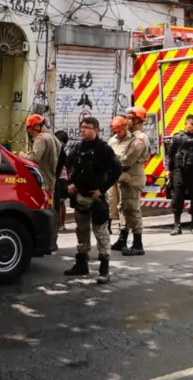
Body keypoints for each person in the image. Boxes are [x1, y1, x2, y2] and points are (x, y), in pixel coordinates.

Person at [64, 117, 121, 284]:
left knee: (101, 234)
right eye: (81, 127)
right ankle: (81, 264)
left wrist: (102, 189)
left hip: (96, 199)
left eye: (87, 127)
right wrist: (70, 183)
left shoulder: (103, 149)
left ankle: (104, 270)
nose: (83, 130)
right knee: (81, 232)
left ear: (95, 129)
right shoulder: (77, 148)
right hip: (80, 197)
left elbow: (116, 169)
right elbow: (69, 166)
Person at [108, 115, 150, 255]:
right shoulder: (117, 140)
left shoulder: (138, 139)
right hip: (123, 179)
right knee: (124, 208)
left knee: (133, 210)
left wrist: (115, 164)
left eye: (131, 119)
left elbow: (128, 160)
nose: (128, 121)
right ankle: (122, 239)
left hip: (132, 179)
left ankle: (138, 244)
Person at [167, 114, 193, 235]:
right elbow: (170, 155)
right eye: (191, 124)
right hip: (179, 171)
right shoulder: (178, 137)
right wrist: (168, 169)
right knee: (177, 197)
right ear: (186, 123)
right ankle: (177, 226)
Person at [26, 114, 61, 200]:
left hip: (42, 181)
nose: (30, 131)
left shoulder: (40, 138)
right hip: (51, 180)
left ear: (38, 126)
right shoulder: (53, 137)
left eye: (31, 127)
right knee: (49, 204)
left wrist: (22, 156)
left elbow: (34, 158)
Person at [54, 130, 70, 231]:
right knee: (61, 202)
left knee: (60, 202)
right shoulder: (64, 151)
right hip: (63, 179)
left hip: (60, 179)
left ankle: (60, 224)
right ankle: (61, 224)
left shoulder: (59, 151)